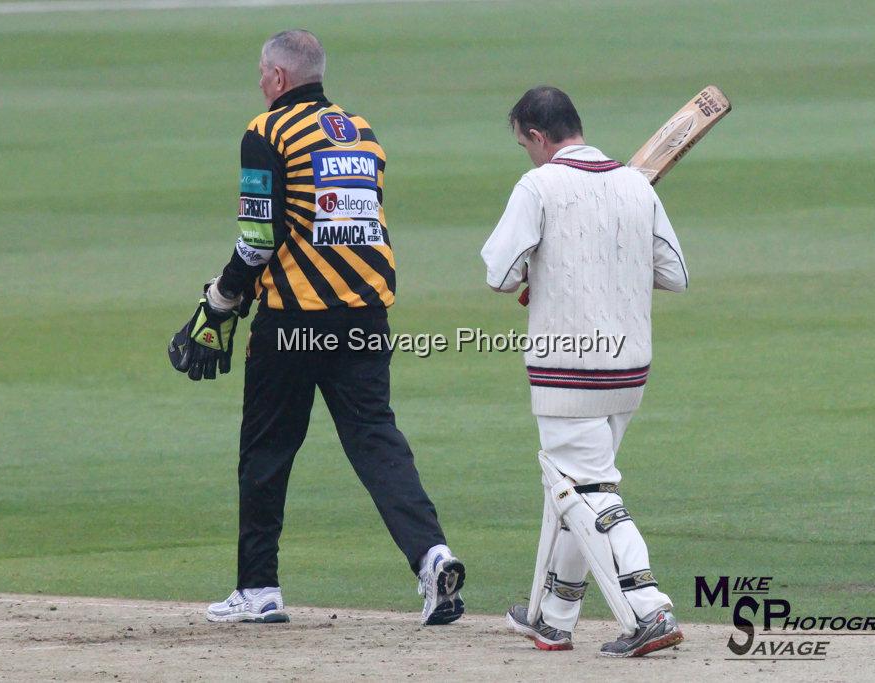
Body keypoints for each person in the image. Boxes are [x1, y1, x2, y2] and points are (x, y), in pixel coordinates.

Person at [168, 29, 464, 626]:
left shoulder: (266, 131)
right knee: (377, 442)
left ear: (278, 77)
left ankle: (258, 590)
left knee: (267, 450)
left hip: (294, 323)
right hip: (365, 316)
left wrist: (222, 300)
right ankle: (433, 557)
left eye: (261, 73)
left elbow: (258, 238)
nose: (259, 82)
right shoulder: (362, 132)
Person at [480, 86, 687, 657]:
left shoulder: (539, 185)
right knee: (574, 487)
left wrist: (541, 271)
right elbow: (673, 272)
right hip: (629, 368)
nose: (527, 153)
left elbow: (499, 273)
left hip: (567, 368)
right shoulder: (633, 185)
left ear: (540, 137)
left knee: (587, 487)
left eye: (525, 143)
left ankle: (649, 609)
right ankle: (554, 615)